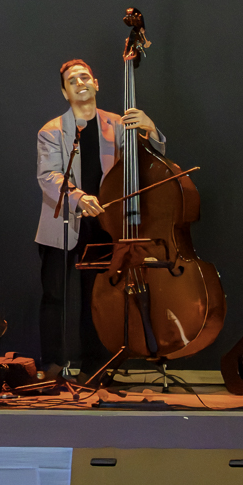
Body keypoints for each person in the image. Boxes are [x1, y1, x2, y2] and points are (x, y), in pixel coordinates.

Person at [35, 58, 164, 376]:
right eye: (72, 80)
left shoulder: (117, 124)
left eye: (85, 77)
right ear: (65, 92)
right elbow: (48, 176)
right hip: (63, 222)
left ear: (96, 84)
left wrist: (150, 128)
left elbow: (149, 158)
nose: (80, 82)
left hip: (106, 224)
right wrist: (78, 198)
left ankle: (96, 366)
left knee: (98, 298)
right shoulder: (52, 131)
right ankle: (53, 365)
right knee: (55, 296)